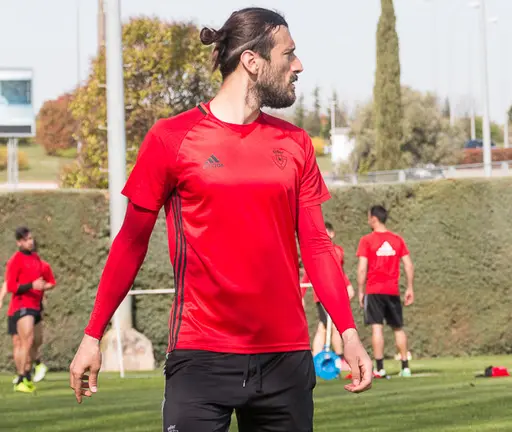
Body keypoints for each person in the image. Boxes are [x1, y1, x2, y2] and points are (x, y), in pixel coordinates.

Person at [68, 7, 371, 431]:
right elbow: (131, 241)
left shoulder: (296, 143)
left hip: (285, 360)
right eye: (289, 54)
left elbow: (317, 246)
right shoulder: (171, 139)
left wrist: (349, 333)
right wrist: (92, 335)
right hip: (200, 357)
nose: (298, 65)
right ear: (252, 61)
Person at [357, 205, 415, 378]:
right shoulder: (397, 240)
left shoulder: (367, 240)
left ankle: (380, 368)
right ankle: (405, 367)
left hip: (374, 290)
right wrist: (410, 287)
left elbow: (361, 269)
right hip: (392, 290)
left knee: (377, 328)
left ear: (373, 219)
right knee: (398, 328)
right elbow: (409, 264)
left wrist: (361, 291)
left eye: (368, 217)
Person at [5, 227, 56, 393]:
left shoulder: (36, 259)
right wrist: (31, 286)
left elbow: (49, 281)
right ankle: (22, 377)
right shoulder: (15, 260)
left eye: (31, 238)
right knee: (24, 341)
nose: (30, 242)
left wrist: (42, 287)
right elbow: (12, 286)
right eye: (26, 240)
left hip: (36, 306)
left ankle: (29, 371)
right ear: (19, 242)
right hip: (21, 305)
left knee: (36, 341)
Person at [301, 222, 354, 361]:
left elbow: (339, 272)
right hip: (324, 297)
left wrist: (348, 286)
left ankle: (315, 359)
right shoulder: (315, 253)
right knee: (334, 327)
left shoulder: (337, 251)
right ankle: (339, 359)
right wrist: (301, 294)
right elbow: (308, 274)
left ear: (331, 233)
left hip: (335, 296)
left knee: (323, 328)